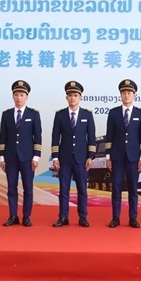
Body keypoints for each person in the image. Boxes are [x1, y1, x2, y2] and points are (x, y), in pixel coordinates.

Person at [51, 81, 96, 227]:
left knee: (82, 189)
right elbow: (55, 137)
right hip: (64, 158)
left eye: (75, 95)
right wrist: (55, 157)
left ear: (80, 97)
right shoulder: (60, 115)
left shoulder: (87, 115)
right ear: (66, 98)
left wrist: (90, 156)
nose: (72, 98)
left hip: (81, 159)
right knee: (64, 190)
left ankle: (83, 217)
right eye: (70, 95)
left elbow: (91, 138)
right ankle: (63, 217)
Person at [0, 80, 42, 227]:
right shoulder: (6, 115)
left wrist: (36, 157)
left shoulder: (33, 114)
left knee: (28, 188)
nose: (19, 98)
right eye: (16, 95)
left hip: (27, 158)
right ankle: (13, 215)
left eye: (22, 95)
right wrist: (2, 157)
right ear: (13, 96)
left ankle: (26, 216)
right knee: (11, 188)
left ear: (27, 97)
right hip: (10, 157)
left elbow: (38, 137)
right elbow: (2, 137)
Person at [104, 79, 141, 228]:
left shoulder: (140, 114)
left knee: (133, 189)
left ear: (134, 95)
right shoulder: (113, 113)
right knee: (116, 188)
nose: (126, 95)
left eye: (129, 92)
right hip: (117, 157)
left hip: (133, 158)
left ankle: (133, 217)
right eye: (123, 93)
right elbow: (109, 136)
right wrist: (108, 156)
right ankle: (115, 217)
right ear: (120, 95)